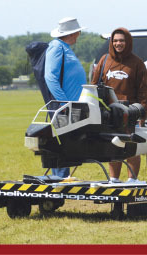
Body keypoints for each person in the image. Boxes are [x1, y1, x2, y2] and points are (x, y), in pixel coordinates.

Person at [91, 28, 147, 184]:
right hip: (109, 112)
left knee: (131, 146)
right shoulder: (104, 60)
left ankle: (132, 179)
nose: (118, 43)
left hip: (130, 112)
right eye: (115, 40)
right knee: (113, 145)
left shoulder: (137, 63)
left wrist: (142, 113)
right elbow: (94, 85)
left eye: (121, 40)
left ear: (128, 42)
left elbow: (143, 91)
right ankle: (114, 178)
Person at [45, 17, 87, 178]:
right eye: (78, 31)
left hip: (72, 105)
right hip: (64, 106)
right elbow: (50, 77)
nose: (80, 34)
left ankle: (61, 177)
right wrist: (63, 102)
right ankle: (59, 178)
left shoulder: (64, 47)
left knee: (69, 142)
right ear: (74, 33)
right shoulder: (56, 47)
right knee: (64, 142)